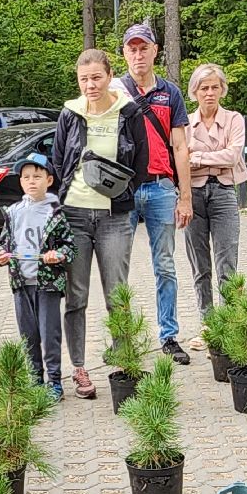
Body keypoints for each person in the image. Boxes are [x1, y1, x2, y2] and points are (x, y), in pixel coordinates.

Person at [50, 48, 150, 400]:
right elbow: (58, 161)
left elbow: (142, 163)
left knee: (116, 295)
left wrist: (122, 194)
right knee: (75, 296)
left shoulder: (129, 112)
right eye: (84, 79)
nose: (90, 85)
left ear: (109, 76)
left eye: (96, 77)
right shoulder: (70, 114)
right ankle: (79, 368)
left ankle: (124, 362)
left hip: (115, 218)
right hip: (74, 216)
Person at [119, 23, 193, 365]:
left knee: (164, 265)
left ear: (155, 51)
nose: (138, 55)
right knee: (117, 268)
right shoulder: (116, 90)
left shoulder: (170, 93)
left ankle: (169, 335)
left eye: (143, 48)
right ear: (125, 54)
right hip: (125, 189)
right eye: (132, 49)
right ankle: (122, 338)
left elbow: (180, 147)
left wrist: (185, 196)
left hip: (162, 188)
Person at [0, 152, 76, 400]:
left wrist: (57, 255)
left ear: (48, 180)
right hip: (21, 284)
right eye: (26, 177)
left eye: (37, 177)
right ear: (20, 182)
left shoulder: (55, 212)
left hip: (47, 284)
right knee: (28, 334)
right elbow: (3, 243)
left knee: (49, 333)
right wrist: (1, 256)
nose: (31, 181)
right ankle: (35, 379)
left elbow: (69, 247)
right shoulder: (13, 212)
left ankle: (54, 381)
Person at [183, 63, 247, 348]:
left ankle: (230, 326)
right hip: (192, 196)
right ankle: (208, 326)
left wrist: (196, 157)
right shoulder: (185, 123)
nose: (209, 93)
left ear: (222, 90)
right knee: (200, 266)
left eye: (214, 87)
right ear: (194, 92)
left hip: (224, 193)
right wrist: (212, 157)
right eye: (203, 88)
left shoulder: (234, 119)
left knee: (227, 264)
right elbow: (179, 160)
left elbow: (232, 157)